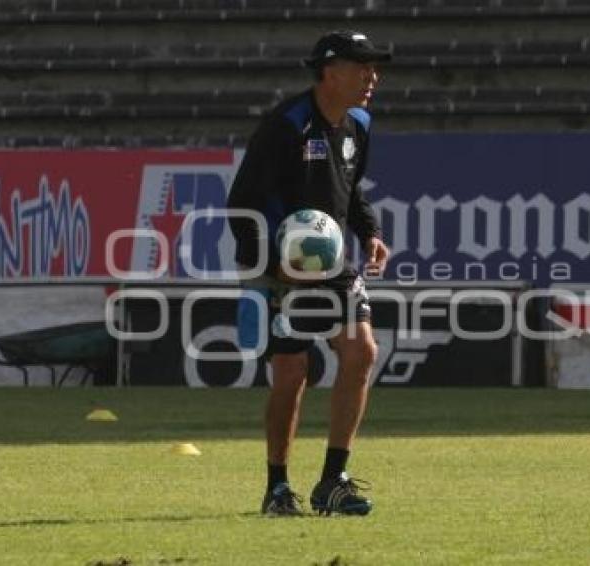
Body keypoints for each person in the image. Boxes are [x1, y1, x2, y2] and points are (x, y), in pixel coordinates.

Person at [226, 30, 391, 516]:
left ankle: (333, 481)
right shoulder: (287, 125)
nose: (371, 76)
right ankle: (277, 486)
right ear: (329, 71)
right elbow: (242, 203)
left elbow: (351, 189)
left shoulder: (358, 123)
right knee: (292, 373)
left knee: (361, 351)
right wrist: (276, 266)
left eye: (374, 66)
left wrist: (369, 232)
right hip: (280, 258)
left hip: (333, 258)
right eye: (361, 66)